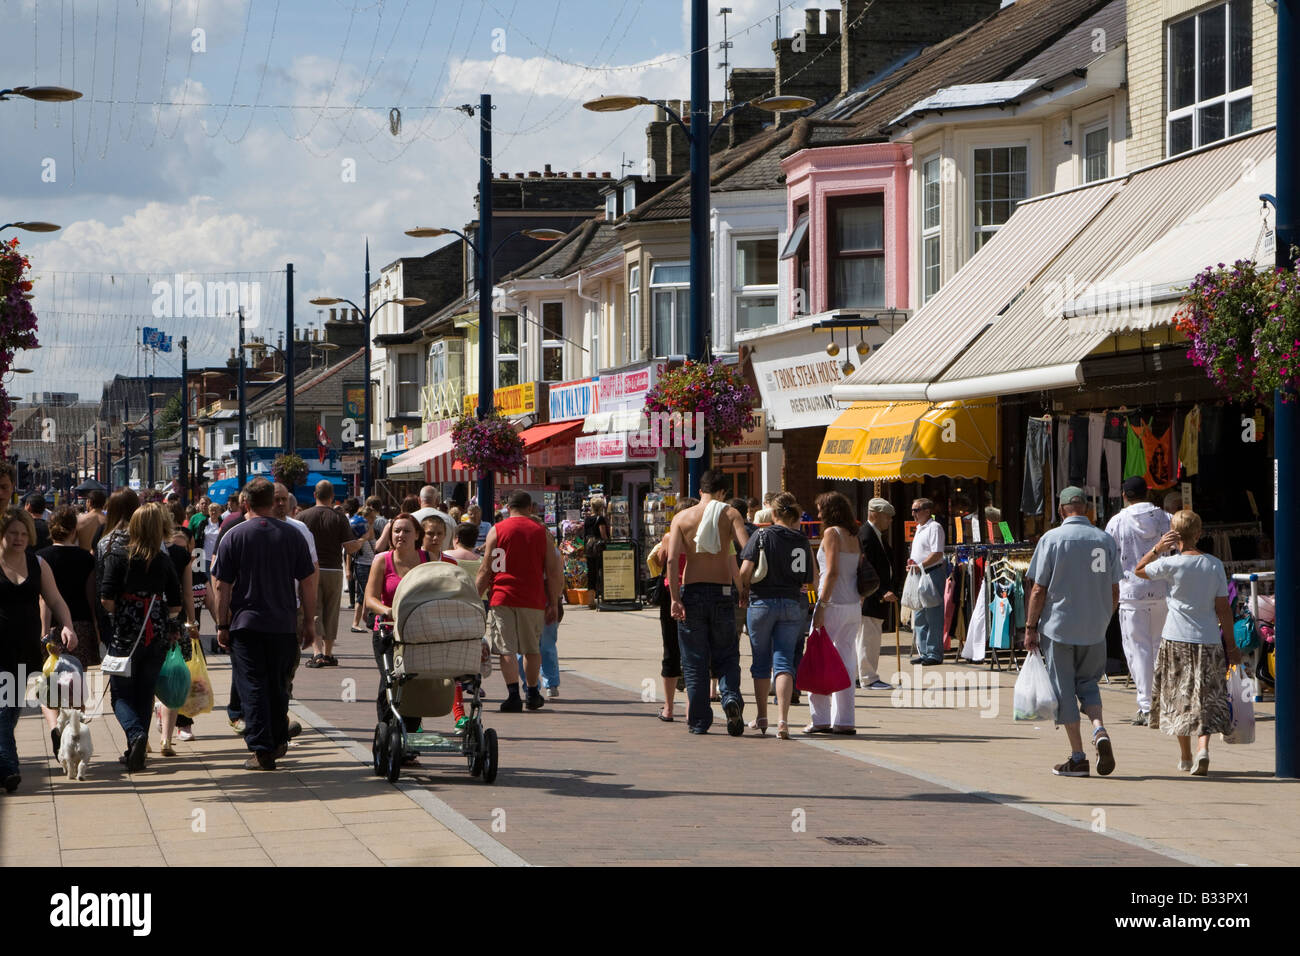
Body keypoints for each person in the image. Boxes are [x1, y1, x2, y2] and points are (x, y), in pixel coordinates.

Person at [209, 477, 317, 771]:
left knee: (252, 686)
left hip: (247, 625)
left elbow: (222, 586)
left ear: (246, 503)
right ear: (273, 501)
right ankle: (278, 738)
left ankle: (261, 748)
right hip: (282, 623)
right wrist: (309, 622)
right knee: (278, 685)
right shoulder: (292, 535)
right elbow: (308, 582)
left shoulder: (234, 535)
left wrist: (222, 624)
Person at [1025, 487, 1121, 777]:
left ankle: (1078, 756)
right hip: (1094, 628)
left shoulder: (1051, 539)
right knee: (1089, 684)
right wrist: (1104, 617)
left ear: (1063, 509)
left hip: (1059, 627)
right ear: (1086, 509)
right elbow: (1115, 589)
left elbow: (1039, 589)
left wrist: (1030, 627)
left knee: (1063, 690)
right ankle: (1099, 728)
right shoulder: (1104, 540)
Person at [1136, 510, 1241, 776]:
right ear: (1199, 533)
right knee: (1205, 696)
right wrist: (1231, 646)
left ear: (1174, 534)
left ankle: (1185, 755)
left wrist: (1158, 547)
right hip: (1207, 640)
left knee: (1177, 697)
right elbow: (1223, 610)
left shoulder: (1170, 564)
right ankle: (1203, 749)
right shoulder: (1214, 564)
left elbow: (1139, 570)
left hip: (1175, 639)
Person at [1, 507, 80, 792]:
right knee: (3, 706)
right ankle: (8, 766)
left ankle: (3, 759)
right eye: (13, 533)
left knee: (10, 709)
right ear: (2, 534)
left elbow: (56, 600)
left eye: (24, 533)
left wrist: (67, 625)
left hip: (25, 648)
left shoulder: (37, 564)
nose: (19, 538)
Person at [100, 504, 182, 773]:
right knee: (145, 693)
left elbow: (107, 597)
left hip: (125, 634)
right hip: (155, 632)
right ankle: (137, 751)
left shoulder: (118, 555)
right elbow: (176, 603)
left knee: (120, 695)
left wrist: (124, 612)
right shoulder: (163, 560)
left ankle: (135, 737)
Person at [666, 471, 750, 735]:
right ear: (723, 492)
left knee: (694, 660)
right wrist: (745, 585)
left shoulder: (681, 518)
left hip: (692, 591)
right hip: (723, 592)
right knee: (726, 654)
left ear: (701, 489)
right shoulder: (730, 514)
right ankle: (730, 697)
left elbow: (670, 561)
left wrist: (674, 598)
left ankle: (700, 721)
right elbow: (746, 549)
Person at [365, 513, 454, 738]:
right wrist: (387, 610)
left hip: (419, 631)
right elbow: (370, 598)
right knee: (390, 680)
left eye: (406, 531)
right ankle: (388, 736)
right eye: (396, 531)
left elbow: (438, 591)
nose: (400, 535)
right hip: (387, 630)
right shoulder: (382, 560)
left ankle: (409, 737)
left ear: (417, 535)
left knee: (414, 680)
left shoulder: (428, 559)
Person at [476, 492, 563, 713]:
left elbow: (489, 568)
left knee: (506, 649)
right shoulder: (541, 532)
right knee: (532, 649)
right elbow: (553, 572)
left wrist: (475, 596)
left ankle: (513, 694)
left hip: (502, 596)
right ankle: (533, 693)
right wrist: (553, 602)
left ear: (507, 507)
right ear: (530, 508)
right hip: (533, 599)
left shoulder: (497, 530)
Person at [739, 492, 814, 739]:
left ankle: (762, 716)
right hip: (792, 603)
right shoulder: (801, 540)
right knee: (784, 662)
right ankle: (783, 720)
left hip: (761, 603)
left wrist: (742, 592)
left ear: (773, 514)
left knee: (761, 662)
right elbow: (809, 577)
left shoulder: (761, 535)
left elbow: (745, 570)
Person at [1105, 476, 1172, 726]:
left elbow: (1109, 557)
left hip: (1132, 593)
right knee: (1159, 648)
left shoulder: (1117, 522)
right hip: (1162, 591)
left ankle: (1146, 705)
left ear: (1124, 494)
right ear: (1147, 493)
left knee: (1138, 651)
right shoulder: (1164, 518)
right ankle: (1162, 702)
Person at [37, 508, 100, 749]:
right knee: (76, 684)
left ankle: (56, 728)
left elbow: (44, 599)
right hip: (80, 625)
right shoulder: (87, 559)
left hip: (52, 627)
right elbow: (91, 595)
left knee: (49, 683)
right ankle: (74, 731)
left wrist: (43, 632)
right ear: (75, 530)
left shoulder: (42, 558)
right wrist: (95, 627)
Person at [804, 492, 863, 735]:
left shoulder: (831, 534)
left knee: (818, 657)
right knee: (847, 661)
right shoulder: (853, 535)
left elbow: (832, 572)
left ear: (829, 510)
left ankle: (820, 719)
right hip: (853, 606)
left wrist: (821, 605)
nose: (818, 514)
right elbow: (857, 571)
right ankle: (845, 720)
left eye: (820, 509)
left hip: (834, 604)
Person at [297, 480, 362, 668]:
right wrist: (360, 542)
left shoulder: (302, 517)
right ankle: (328, 652)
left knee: (314, 609)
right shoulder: (338, 517)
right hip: (334, 569)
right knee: (331, 611)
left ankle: (317, 652)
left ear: (315, 495)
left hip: (310, 569)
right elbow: (350, 547)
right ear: (332, 497)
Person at [155, 506, 199, 755]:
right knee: (172, 678)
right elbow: (187, 593)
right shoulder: (181, 554)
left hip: (146, 623)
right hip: (175, 623)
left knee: (150, 678)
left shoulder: (138, 552)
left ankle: (144, 734)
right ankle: (166, 739)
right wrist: (191, 623)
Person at [857, 498, 899, 691]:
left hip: (875, 595)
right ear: (874, 514)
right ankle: (868, 677)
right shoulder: (866, 534)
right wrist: (882, 590)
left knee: (868, 637)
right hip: (871, 596)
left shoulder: (876, 534)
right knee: (868, 638)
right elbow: (867, 567)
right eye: (887, 517)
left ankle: (861, 675)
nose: (890, 521)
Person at [906, 498, 947, 666]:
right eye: (912, 510)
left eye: (916, 510)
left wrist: (920, 565)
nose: (913, 514)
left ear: (926, 511)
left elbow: (937, 553)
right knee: (920, 615)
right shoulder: (919, 529)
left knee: (933, 616)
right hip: (919, 574)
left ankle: (934, 653)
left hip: (931, 574)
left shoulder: (934, 527)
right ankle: (924, 652)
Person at [350, 502, 380, 633]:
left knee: (368, 593)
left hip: (371, 564)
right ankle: (356, 623)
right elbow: (350, 551)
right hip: (361, 564)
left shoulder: (371, 529)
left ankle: (366, 620)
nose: (373, 520)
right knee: (363, 594)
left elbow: (375, 548)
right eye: (371, 518)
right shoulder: (357, 529)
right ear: (364, 517)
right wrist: (347, 570)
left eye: (374, 518)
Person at [583, 497, 610, 600]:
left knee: (591, 573)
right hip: (598, 549)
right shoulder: (600, 519)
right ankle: (604, 596)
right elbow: (603, 534)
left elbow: (585, 534)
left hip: (589, 549)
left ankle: (591, 599)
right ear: (601, 507)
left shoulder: (587, 519)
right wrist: (608, 541)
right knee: (602, 571)